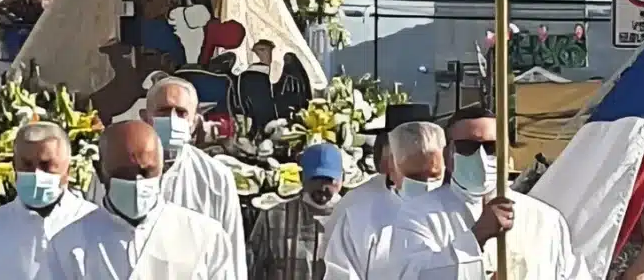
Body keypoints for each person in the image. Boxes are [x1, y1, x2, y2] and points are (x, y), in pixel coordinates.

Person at [384, 106, 590, 279]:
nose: (481, 156)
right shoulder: (418, 215)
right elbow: (413, 275)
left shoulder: (545, 219)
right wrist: (477, 236)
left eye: (491, 147)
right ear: (449, 154)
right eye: (468, 147)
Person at [88, 77, 246, 280]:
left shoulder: (215, 178)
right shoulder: (114, 168)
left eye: (181, 113)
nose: (172, 119)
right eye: (163, 111)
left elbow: (231, 252)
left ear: (195, 121)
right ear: (146, 117)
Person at [36, 120, 235, 279]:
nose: (137, 182)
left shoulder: (205, 236)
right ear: (100, 171)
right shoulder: (68, 244)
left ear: (162, 168)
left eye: (146, 172)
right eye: (123, 173)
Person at [0, 122, 97, 279]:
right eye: (27, 165)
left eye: (46, 165)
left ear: (67, 169)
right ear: (14, 166)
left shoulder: (97, 226)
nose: (36, 173)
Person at [325, 121, 446, 280]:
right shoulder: (359, 219)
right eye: (415, 176)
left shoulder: (460, 214)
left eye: (433, 175)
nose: (426, 184)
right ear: (391, 167)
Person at [247, 143, 344, 280]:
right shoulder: (273, 217)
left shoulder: (350, 221)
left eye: (329, 180)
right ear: (301, 177)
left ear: (341, 180)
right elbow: (252, 267)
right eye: (315, 179)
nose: (323, 187)